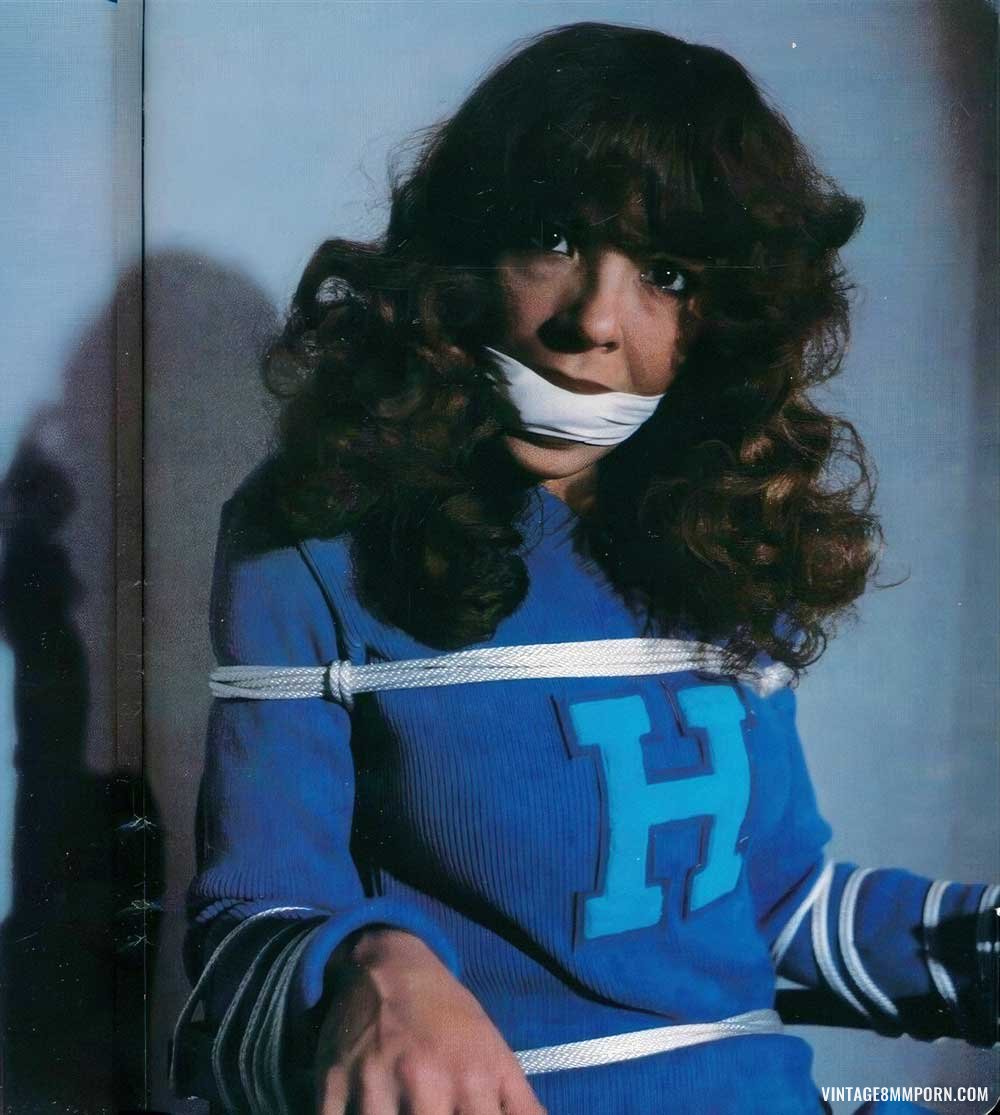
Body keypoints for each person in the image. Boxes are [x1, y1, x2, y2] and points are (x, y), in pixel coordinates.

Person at [171, 22, 997, 1115]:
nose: (594, 322)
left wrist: (973, 941)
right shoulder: (312, 539)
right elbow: (240, 951)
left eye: (667, 273)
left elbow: (769, 904)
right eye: (553, 239)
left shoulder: (724, 536)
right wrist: (373, 962)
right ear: (466, 251)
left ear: (721, 318)